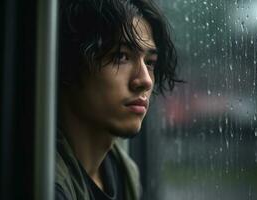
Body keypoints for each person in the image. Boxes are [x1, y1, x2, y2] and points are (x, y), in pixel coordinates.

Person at [56, 0, 180, 199]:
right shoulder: (44, 182)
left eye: (150, 62)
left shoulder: (124, 172)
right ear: (70, 64)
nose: (145, 81)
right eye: (121, 56)